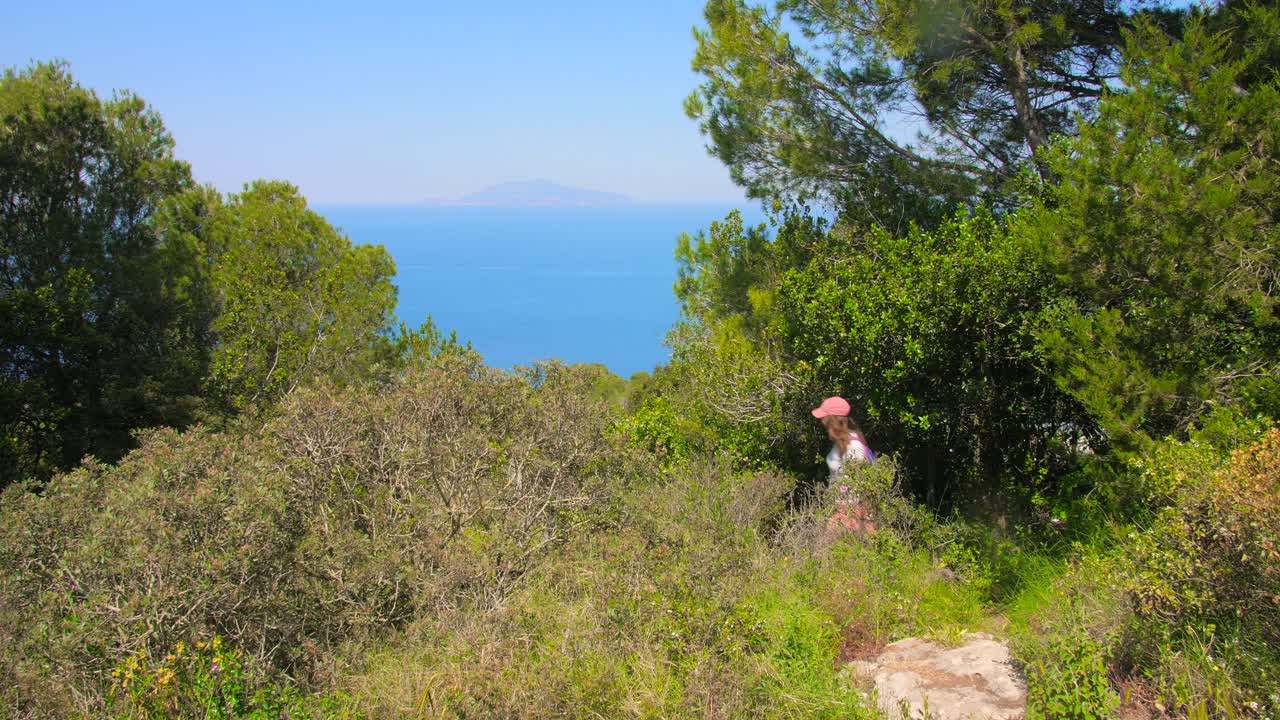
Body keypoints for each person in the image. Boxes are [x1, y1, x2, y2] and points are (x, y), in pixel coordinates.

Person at [811, 396, 877, 536]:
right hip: (839, 507)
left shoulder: (854, 446)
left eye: (825, 419)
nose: (822, 423)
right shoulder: (839, 443)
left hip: (852, 509)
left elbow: (861, 482)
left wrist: (849, 513)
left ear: (833, 421)